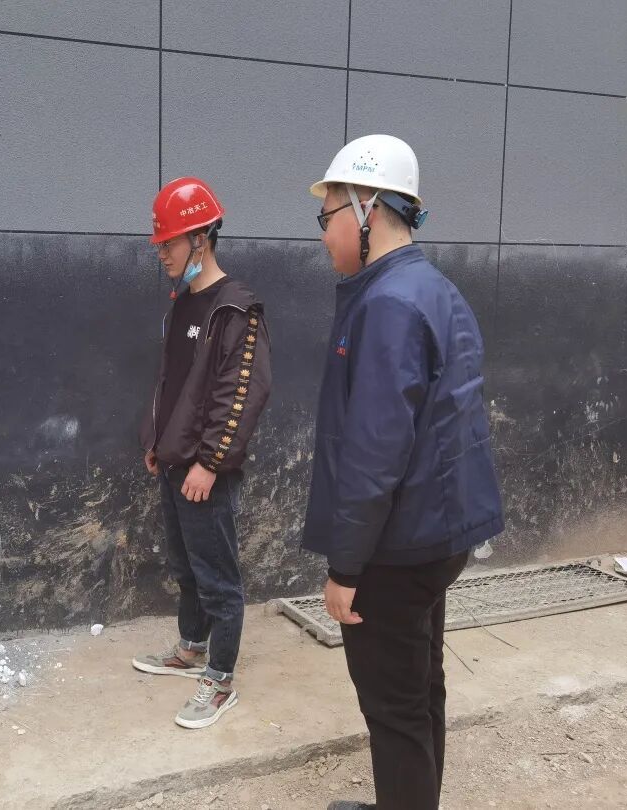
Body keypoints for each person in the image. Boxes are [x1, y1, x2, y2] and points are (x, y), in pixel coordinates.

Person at [301, 136, 504, 810]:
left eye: (327, 215)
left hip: (395, 545)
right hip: (437, 533)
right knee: (420, 687)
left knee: (393, 707)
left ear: (366, 209)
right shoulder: (433, 288)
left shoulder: (387, 304)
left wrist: (345, 569)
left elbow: (375, 452)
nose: (323, 233)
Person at [133, 177, 272, 728]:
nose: (162, 253)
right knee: (185, 566)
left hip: (203, 470)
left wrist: (210, 463)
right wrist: (155, 442)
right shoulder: (184, 303)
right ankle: (191, 649)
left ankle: (220, 679)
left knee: (218, 577)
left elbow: (240, 395)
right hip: (174, 463)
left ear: (200, 238)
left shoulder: (235, 308)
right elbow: (169, 383)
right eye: (160, 244)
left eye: (168, 242)